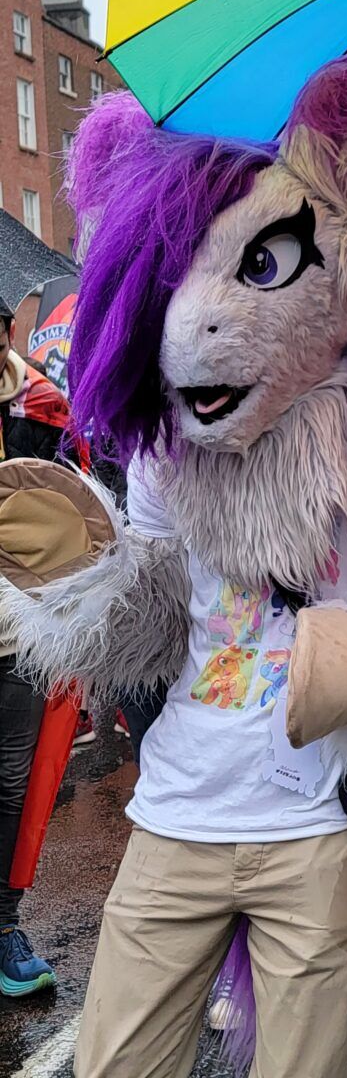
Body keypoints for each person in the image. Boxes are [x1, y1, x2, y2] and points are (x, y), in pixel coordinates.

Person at [2, 60, 347, 1075]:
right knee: (118, 1062)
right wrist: (88, 578)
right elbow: (163, 614)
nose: (196, 320)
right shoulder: (171, 452)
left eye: (259, 263)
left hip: (318, 828)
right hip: (176, 814)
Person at [0, 296, 70, 997]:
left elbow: (75, 505)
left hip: (19, 634)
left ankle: (3, 927)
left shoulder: (41, 408)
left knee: (12, 785)